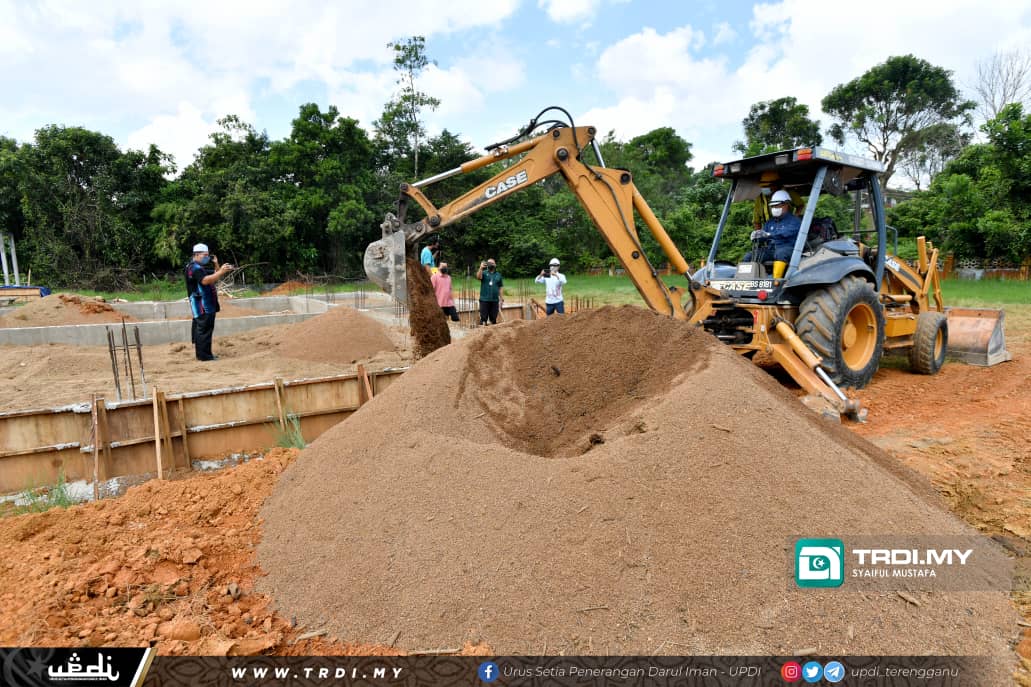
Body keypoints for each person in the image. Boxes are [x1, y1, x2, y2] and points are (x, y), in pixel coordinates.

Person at [184, 243, 234, 361]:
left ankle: (205, 354)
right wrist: (221, 271)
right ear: (196, 255)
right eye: (205, 255)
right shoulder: (194, 268)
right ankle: (204, 356)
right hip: (201, 306)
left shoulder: (199, 267)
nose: (207, 257)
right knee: (204, 330)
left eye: (208, 255)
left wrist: (217, 265)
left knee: (205, 329)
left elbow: (215, 275)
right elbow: (205, 280)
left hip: (207, 305)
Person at [750, 190, 802, 278]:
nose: (774, 208)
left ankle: (776, 281)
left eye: (777, 205)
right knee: (750, 255)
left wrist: (769, 235)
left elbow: (785, 233)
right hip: (771, 250)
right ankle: (748, 280)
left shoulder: (795, 221)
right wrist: (757, 235)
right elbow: (764, 236)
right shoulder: (769, 222)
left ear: (786, 204)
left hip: (788, 249)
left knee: (781, 253)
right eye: (773, 206)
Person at [475, 258, 503, 325]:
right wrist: (481, 268)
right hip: (484, 300)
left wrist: (501, 298)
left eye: (492, 263)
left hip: (495, 300)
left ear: (495, 265)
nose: (491, 264)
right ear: (487, 265)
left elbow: (500, 287)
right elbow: (478, 277)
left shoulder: (498, 275)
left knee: (493, 319)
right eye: (489, 263)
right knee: (483, 319)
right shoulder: (484, 273)